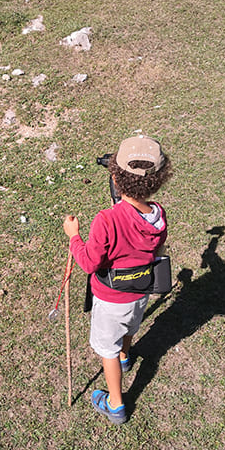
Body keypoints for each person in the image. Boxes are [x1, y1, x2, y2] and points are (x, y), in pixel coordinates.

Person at [63, 136, 172, 424]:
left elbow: (89, 262)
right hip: (140, 292)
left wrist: (74, 236)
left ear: (115, 176)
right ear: (158, 180)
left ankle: (115, 403)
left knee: (106, 349)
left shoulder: (106, 220)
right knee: (129, 328)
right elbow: (156, 250)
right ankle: (126, 357)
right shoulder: (159, 216)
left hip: (111, 299)